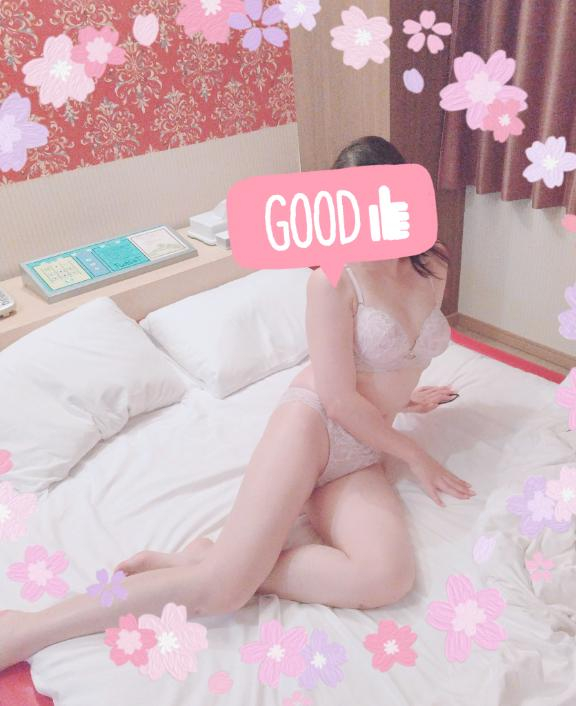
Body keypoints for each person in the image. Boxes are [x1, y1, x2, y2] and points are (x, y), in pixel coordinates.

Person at [0, 136, 473, 670]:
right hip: (315, 428)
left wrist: (403, 398)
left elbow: (392, 354)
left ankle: (213, 557)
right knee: (221, 591)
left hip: (363, 448)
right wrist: (414, 452)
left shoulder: (433, 264)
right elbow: (340, 399)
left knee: (386, 577)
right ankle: (27, 628)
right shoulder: (332, 280)